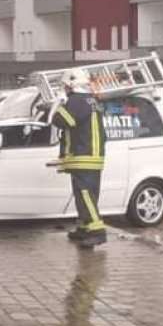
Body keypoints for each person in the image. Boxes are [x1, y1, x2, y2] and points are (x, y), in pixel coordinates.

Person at [49, 72, 107, 248]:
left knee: (85, 194)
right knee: (84, 194)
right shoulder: (91, 100)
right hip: (91, 155)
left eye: (65, 87)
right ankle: (84, 228)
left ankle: (97, 231)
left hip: (84, 155)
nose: (64, 90)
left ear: (72, 85)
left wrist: (59, 103)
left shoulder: (77, 101)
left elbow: (60, 121)